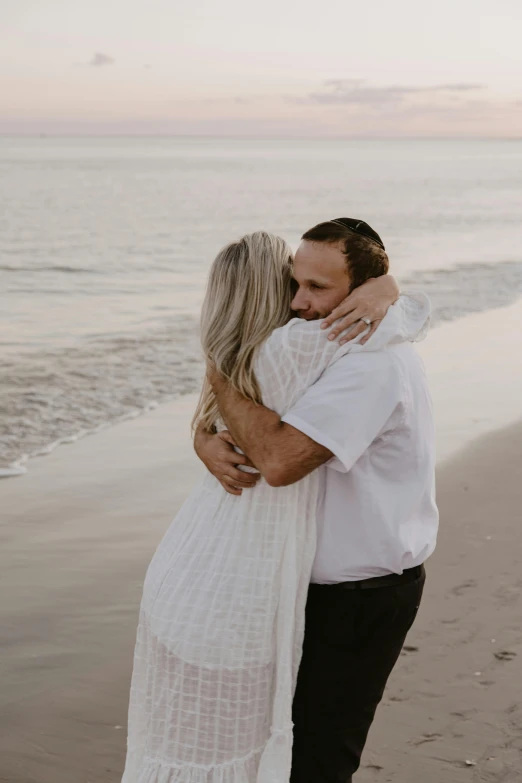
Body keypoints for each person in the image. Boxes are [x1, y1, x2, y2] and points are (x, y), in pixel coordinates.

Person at [198, 217, 438, 783]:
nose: (299, 303)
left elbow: (280, 460)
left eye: (318, 289)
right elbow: (258, 408)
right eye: (293, 284)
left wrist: (219, 363)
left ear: (362, 292)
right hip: (301, 587)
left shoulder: (371, 366)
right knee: (276, 748)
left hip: (359, 597)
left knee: (320, 758)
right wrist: (202, 438)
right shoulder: (320, 348)